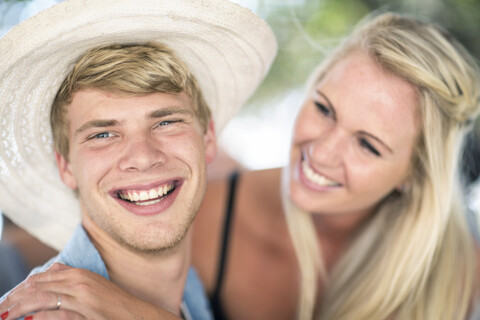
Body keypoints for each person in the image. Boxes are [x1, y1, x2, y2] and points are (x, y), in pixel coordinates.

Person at [2, 10, 480, 320]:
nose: (324, 151)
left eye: (368, 145)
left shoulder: (184, 287)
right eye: (324, 108)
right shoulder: (200, 214)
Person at [0, 0, 276, 319]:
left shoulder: (190, 291)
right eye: (103, 134)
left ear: (208, 139)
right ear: (66, 167)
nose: (143, 158)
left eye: (166, 122)